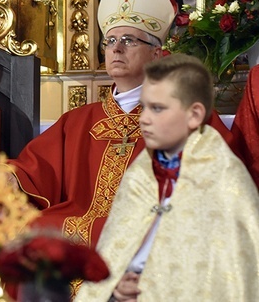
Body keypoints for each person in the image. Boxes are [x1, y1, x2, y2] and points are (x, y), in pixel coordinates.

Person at [0, 0, 232, 248]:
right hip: (80, 234)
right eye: (110, 41)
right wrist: (8, 176)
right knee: (31, 230)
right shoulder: (77, 122)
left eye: (129, 40)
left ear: (158, 54)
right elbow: (35, 169)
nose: (116, 49)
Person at [76, 54, 259, 301]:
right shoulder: (140, 174)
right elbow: (116, 254)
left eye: (157, 108)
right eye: (144, 106)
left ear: (194, 115)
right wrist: (115, 287)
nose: (144, 119)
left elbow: (228, 276)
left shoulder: (223, 177)